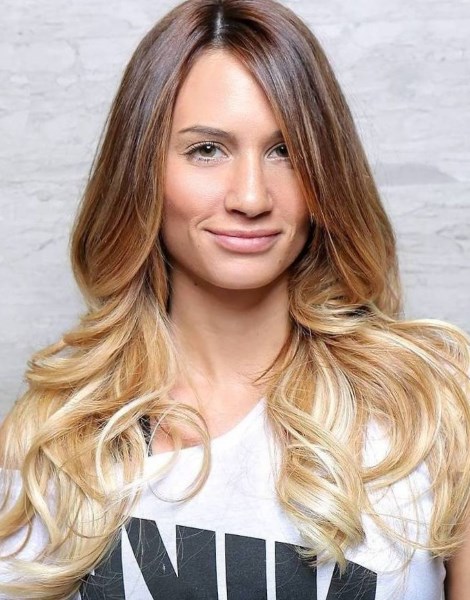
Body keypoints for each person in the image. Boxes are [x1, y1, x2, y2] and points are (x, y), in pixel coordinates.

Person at [1, 0, 469, 598]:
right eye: (207, 150)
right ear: (142, 171)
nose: (251, 197)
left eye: (286, 151)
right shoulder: (51, 436)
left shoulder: (433, 406)